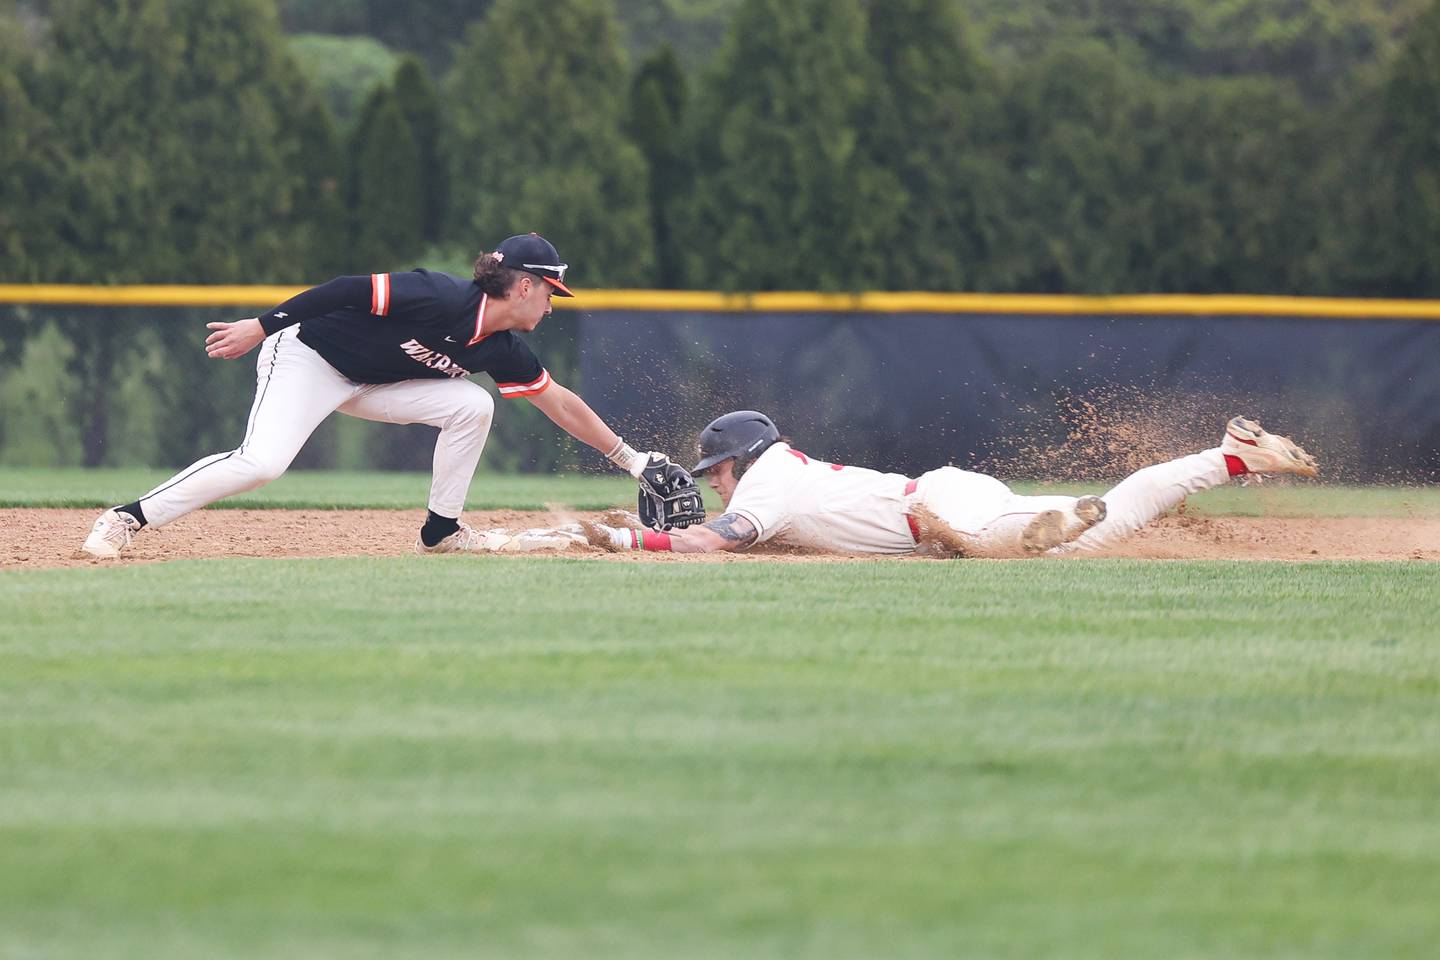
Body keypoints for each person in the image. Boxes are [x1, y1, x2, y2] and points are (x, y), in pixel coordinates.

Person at [81, 233, 675, 559]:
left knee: (473, 405)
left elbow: (559, 402)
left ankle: (443, 531)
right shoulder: (438, 297)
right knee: (262, 463)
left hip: (373, 385)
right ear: (522, 285)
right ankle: (125, 519)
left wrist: (631, 458)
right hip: (307, 359)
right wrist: (260, 327)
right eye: (549, 291)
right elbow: (343, 289)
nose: (551, 303)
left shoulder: (503, 349)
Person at [581, 410, 1319, 557]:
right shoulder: (780, 475)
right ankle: (1231, 459)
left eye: (717, 472)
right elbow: (740, 536)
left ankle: (1045, 527)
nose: (715, 485)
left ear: (743, 458)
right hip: (934, 500)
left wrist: (634, 540)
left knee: (995, 542)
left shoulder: (767, 481)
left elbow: (725, 534)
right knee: (1112, 522)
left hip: (940, 508)